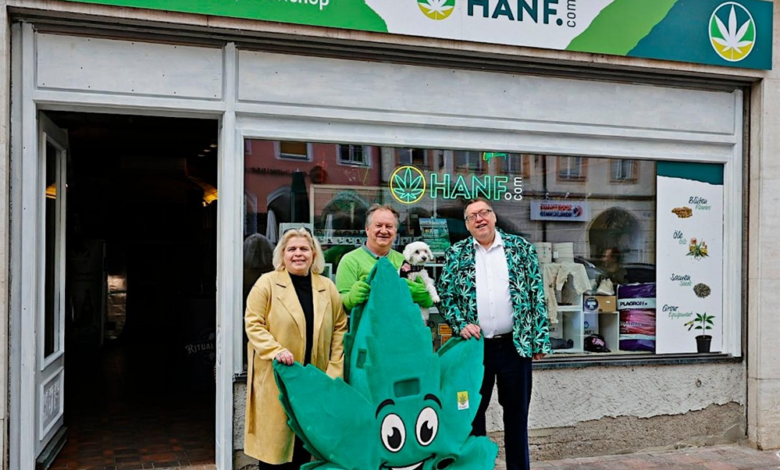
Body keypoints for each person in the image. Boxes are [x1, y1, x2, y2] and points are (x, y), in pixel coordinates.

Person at [437, 198, 551, 470]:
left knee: (516, 415)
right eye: (472, 216)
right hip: (474, 348)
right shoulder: (457, 253)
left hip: (514, 345)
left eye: (484, 212)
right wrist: (460, 324)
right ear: (467, 225)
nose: (480, 219)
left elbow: (536, 294)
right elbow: (446, 296)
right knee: (472, 415)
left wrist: (539, 340)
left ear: (494, 216)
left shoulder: (520, 248)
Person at [244, 227, 347, 470]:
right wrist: (275, 350)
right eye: (292, 249)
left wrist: (334, 371)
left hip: (314, 380)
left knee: (305, 449)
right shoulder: (267, 283)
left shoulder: (327, 287)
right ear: (282, 254)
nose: (298, 254)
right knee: (275, 452)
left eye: (304, 249)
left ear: (313, 254)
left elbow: (340, 328)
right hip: (278, 380)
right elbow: (253, 323)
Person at [335, 203, 433, 312]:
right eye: (378, 225)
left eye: (389, 226)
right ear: (367, 229)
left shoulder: (405, 261)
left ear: (395, 231)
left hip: (401, 322)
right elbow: (339, 304)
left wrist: (424, 297)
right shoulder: (350, 261)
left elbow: (428, 300)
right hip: (368, 323)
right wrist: (350, 299)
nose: (384, 231)